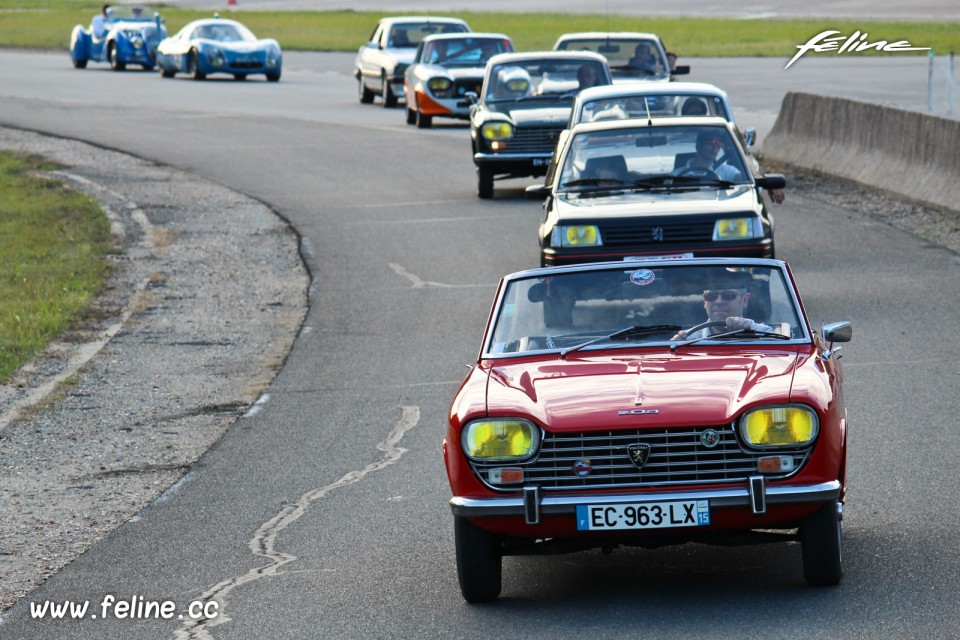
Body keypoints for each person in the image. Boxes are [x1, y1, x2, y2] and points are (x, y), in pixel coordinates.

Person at [673, 271, 771, 339]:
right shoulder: (687, 339)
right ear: (704, 302)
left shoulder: (763, 334)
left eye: (728, 295)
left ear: (744, 300)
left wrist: (750, 335)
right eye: (711, 296)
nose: (718, 301)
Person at [674, 129, 745, 182]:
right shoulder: (676, 174)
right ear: (698, 145)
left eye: (718, 144)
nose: (715, 147)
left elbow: (743, 180)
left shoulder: (727, 172)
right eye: (711, 142)